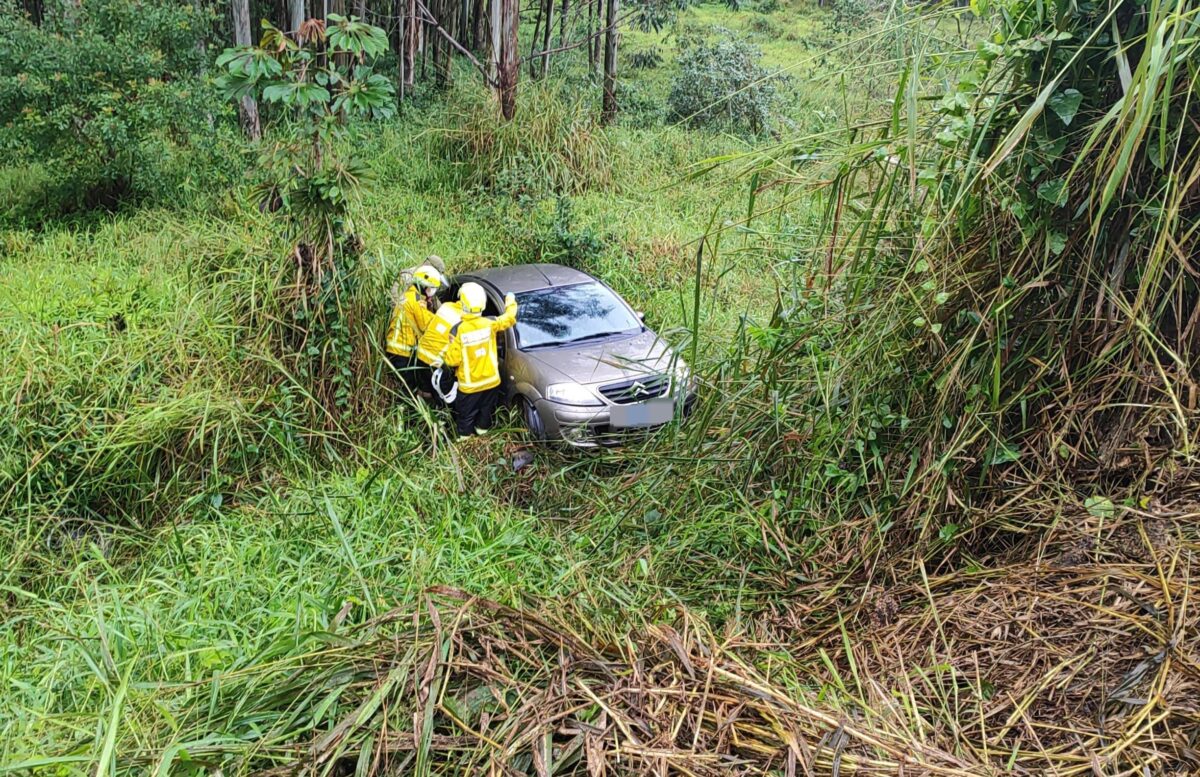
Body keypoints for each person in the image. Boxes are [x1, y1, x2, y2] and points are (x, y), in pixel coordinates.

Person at [442, 282, 518, 439]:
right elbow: (509, 318)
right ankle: (483, 437)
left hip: (470, 387)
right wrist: (510, 301)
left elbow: (452, 360)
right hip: (491, 382)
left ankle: (465, 442)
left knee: (466, 417)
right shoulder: (490, 323)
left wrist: (445, 354)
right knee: (486, 414)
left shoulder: (458, 330)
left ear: (463, 304)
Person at [384, 264, 443, 398]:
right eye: (431, 288)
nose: (432, 292)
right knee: (407, 388)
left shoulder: (408, 295)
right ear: (423, 286)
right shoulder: (417, 301)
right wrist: (443, 321)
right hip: (402, 349)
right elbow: (426, 324)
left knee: (404, 383)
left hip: (396, 347)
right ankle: (407, 408)